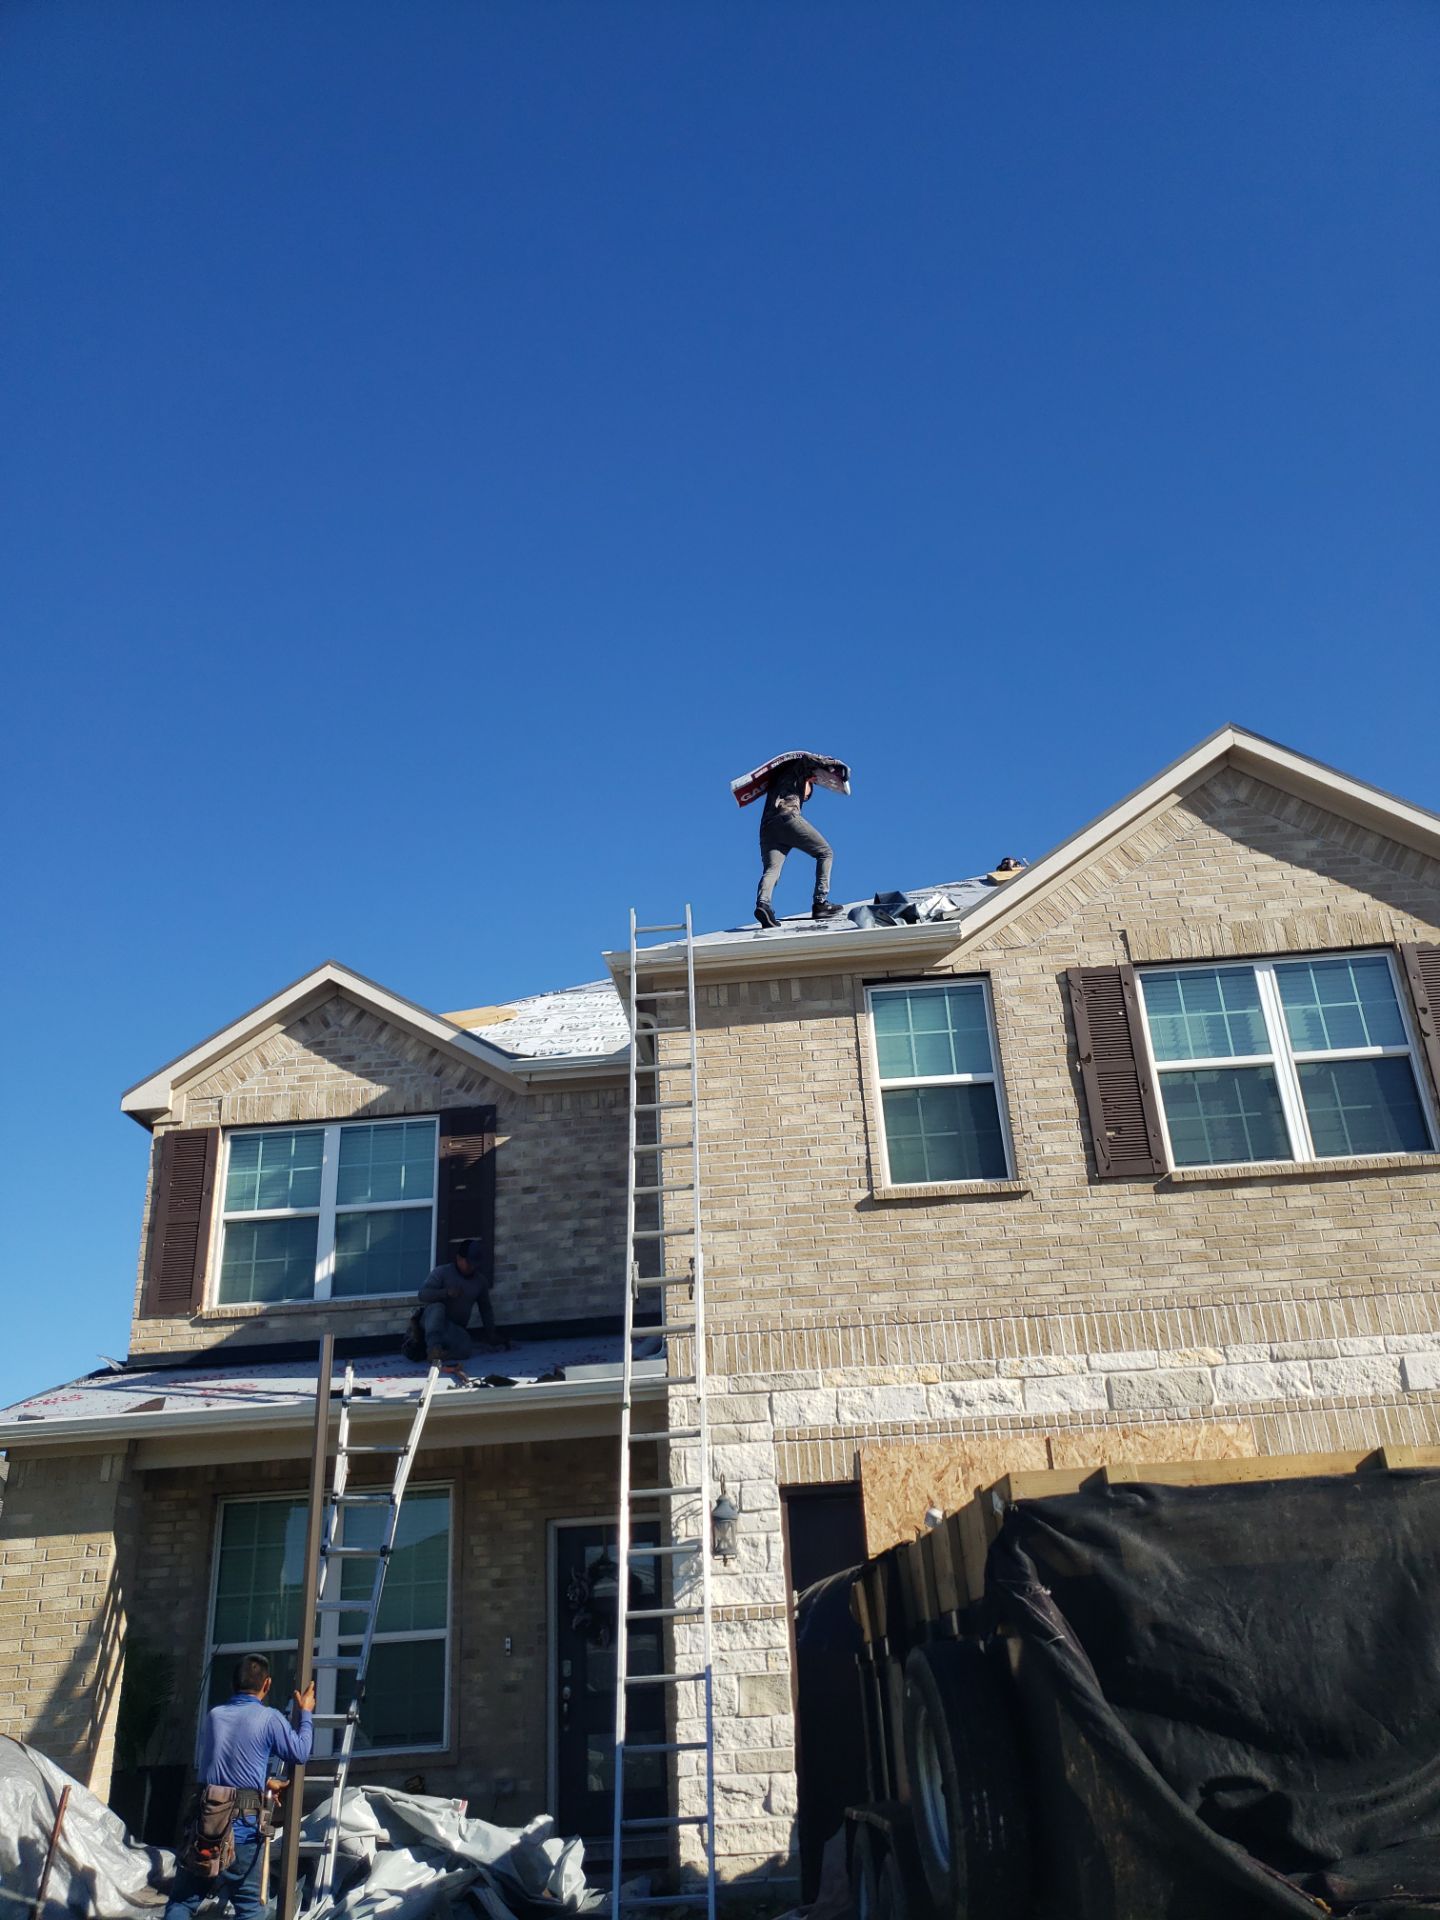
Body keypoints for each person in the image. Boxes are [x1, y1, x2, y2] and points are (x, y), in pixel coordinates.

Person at [163, 1654, 314, 1920]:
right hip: (242, 1833)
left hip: (205, 1829)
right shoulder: (269, 1718)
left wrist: (263, 1782)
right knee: (250, 1910)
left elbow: (222, 1764)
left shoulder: (214, 1716)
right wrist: (306, 1715)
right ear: (266, 1685)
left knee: (182, 1903)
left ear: (233, 1684)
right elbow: (300, 1752)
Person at [754, 757, 844, 928]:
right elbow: (806, 759)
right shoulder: (797, 771)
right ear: (807, 780)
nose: (807, 796)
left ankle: (763, 904)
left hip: (767, 829)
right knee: (825, 852)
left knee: (772, 869)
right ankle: (821, 903)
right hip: (787, 817)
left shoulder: (778, 782)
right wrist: (832, 764)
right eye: (808, 792)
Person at [417, 1237, 506, 1372]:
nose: (472, 1267)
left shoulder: (480, 1281)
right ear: (459, 1258)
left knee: (466, 1347)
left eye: (475, 1263)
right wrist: (445, 1293)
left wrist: (491, 1333)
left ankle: (442, 1355)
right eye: (468, 1262)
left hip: (453, 1329)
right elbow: (422, 1295)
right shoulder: (442, 1272)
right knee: (438, 1308)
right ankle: (433, 1349)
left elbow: (485, 1309)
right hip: (431, 1324)